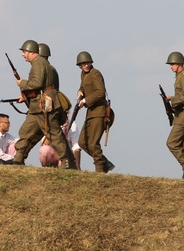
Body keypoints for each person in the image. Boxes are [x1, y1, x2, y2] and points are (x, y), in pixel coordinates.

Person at [12, 40, 74, 168]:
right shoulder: (42, 63)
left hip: (44, 105)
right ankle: (18, 158)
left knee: (53, 133)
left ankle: (66, 161)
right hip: (37, 105)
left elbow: (37, 83)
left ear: (31, 52)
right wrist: (26, 96)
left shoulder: (38, 63)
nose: (23, 54)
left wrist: (22, 83)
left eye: (24, 52)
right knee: (26, 131)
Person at [75, 51, 114, 173]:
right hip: (91, 113)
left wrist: (86, 100)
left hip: (99, 112)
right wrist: (80, 92)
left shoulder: (95, 73)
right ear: (80, 65)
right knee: (82, 142)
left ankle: (99, 170)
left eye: (88, 63)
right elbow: (84, 87)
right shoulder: (83, 74)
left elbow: (100, 92)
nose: (86, 65)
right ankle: (104, 162)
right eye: (83, 63)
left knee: (93, 143)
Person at [164, 51, 184, 181]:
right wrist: (171, 98)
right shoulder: (179, 76)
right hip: (181, 114)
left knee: (171, 143)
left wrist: (173, 100)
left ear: (179, 63)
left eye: (172, 64)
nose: (171, 66)